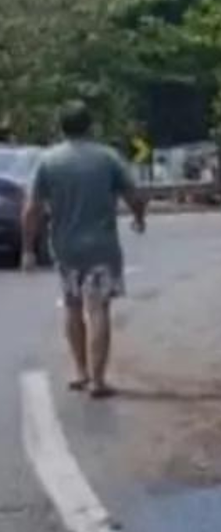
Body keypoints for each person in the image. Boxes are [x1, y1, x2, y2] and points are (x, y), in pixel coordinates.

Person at [21, 102, 147, 398]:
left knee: (72, 305)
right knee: (98, 308)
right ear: (90, 126)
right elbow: (134, 195)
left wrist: (27, 248)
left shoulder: (48, 161)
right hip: (101, 247)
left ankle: (80, 371)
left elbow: (32, 209)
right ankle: (99, 380)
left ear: (61, 127)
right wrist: (139, 218)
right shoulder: (108, 158)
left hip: (65, 248)